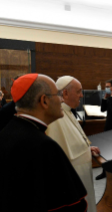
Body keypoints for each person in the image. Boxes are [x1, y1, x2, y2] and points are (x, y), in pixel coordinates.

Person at [0, 73, 88, 212]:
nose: (61, 100)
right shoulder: (44, 146)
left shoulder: (8, 131)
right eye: (57, 95)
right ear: (44, 101)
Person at [46, 76, 100, 212]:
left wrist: (87, 148)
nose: (82, 95)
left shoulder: (67, 111)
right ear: (65, 93)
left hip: (82, 174)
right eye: (79, 91)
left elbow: (73, 141)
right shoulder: (56, 115)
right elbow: (60, 152)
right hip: (73, 178)